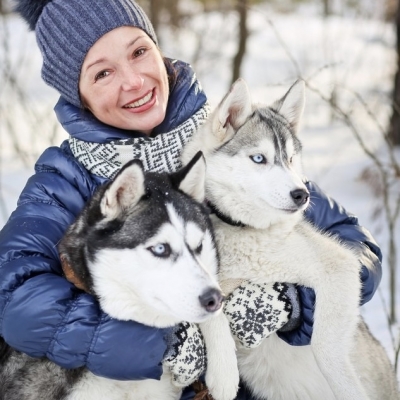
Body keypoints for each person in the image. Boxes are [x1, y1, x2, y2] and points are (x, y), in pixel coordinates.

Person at [0, 0, 382, 399]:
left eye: (138, 51)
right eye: (103, 73)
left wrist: (290, 302)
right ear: (79, 95)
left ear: (159, 51)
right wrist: (163, 341)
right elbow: (18, 300)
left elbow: (354, 246)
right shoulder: (64, 181)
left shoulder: (232, 139)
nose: (133, 81)